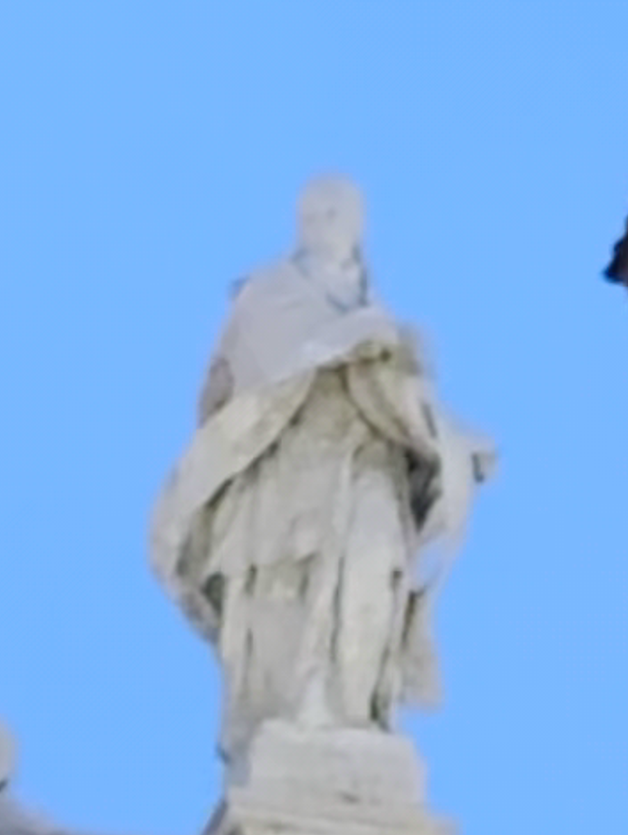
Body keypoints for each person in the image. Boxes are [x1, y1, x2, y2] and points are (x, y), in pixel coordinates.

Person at [147, 179, 489, 763]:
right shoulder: (266, 294)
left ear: (358, 224)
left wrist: (449, 441)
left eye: (333, 212)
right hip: (287, 468)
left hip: (370, 465)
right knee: (288, 584)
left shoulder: (378, 314)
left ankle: (353, 714)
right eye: (309, 213)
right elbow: (244, 384)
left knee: (373, 573)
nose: (319, 221)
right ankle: (296, 711)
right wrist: (340, 341)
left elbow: (404, 401)